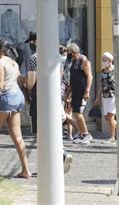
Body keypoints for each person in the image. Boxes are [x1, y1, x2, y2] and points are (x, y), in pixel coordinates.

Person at [26, 38, 74, 173]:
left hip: (39, 96)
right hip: (54, 96)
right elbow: (59, 76)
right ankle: (61, 155)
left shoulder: (35, 58)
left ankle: (49, 164)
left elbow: (31, 80)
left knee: (40, 133)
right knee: (53, 130)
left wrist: (28, 93)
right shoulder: (57, 57)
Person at [0, 40, 32, 178]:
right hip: (17, 98)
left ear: (1, 50)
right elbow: (20, 80)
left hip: (6, 99)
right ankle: (26, 170)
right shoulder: (14, 63)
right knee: (18, 137)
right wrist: (26, 98)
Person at [66, 43, 93, 144]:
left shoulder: (84, 61)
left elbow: (90, 76)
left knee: (78, 112)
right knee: (75, 113)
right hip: (75, 90)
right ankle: (82, 133)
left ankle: (86, 134)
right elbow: (72, 79)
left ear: (72, 52)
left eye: (68, 51)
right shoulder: (73, 61)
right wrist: (68, 93)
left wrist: (87, 91)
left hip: (82, 90)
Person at [94, 52, 116, 144]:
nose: (102, 62)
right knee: (107, 117)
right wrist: (98, 97)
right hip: (105, 96)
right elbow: (101, 85)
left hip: (113, 96)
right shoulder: (103, 71)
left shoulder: (115, 70)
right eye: (102, 60)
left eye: (104, 60)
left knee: (110, 116)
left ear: (110, 61)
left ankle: (112, 137)